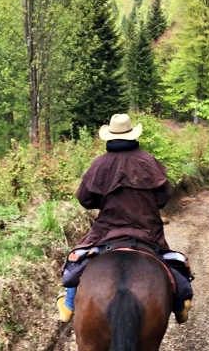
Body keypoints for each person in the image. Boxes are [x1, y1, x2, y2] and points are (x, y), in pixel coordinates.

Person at [56, 113, 193, 323]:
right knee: (171, 262)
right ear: (132, 136)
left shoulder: (100, 164)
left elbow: (85, 198)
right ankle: (179, 306)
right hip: (147, 229)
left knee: (79, 258)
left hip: (107, 230)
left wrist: (103, 200)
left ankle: (68, 306)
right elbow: (164, 196)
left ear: (110, 137)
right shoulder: (148, 161)